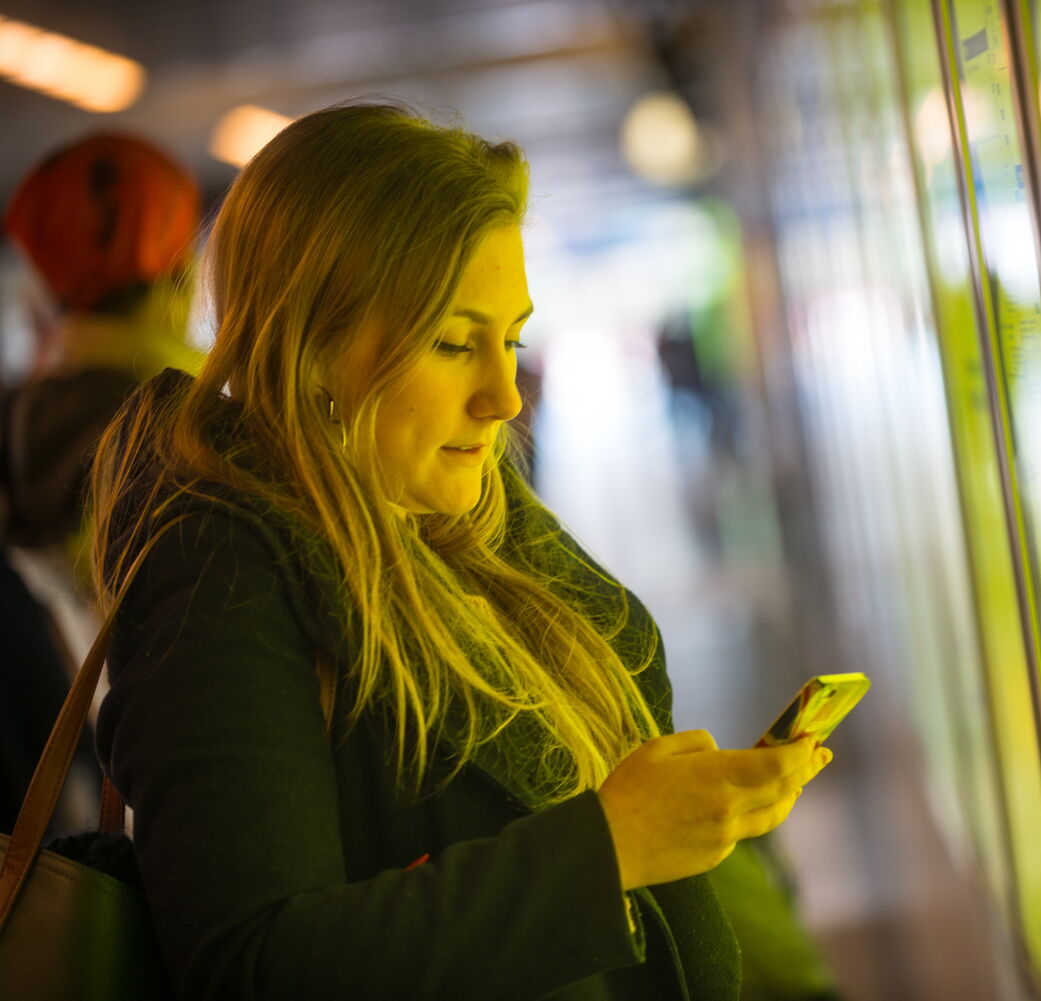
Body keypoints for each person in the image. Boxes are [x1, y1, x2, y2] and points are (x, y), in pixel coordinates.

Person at [86, 102, 835, 1000]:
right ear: (309, 343)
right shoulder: (220, 566)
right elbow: (253, 963)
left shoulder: (462, 522)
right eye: (452, 343)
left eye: (511, 338)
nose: (505, 396)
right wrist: (609, 848)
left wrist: (682, 812)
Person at [1, 132, 202, 830]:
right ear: (179, 268)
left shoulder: (21, 412)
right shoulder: (191, 425)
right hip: (162, 807)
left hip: (50, 802)